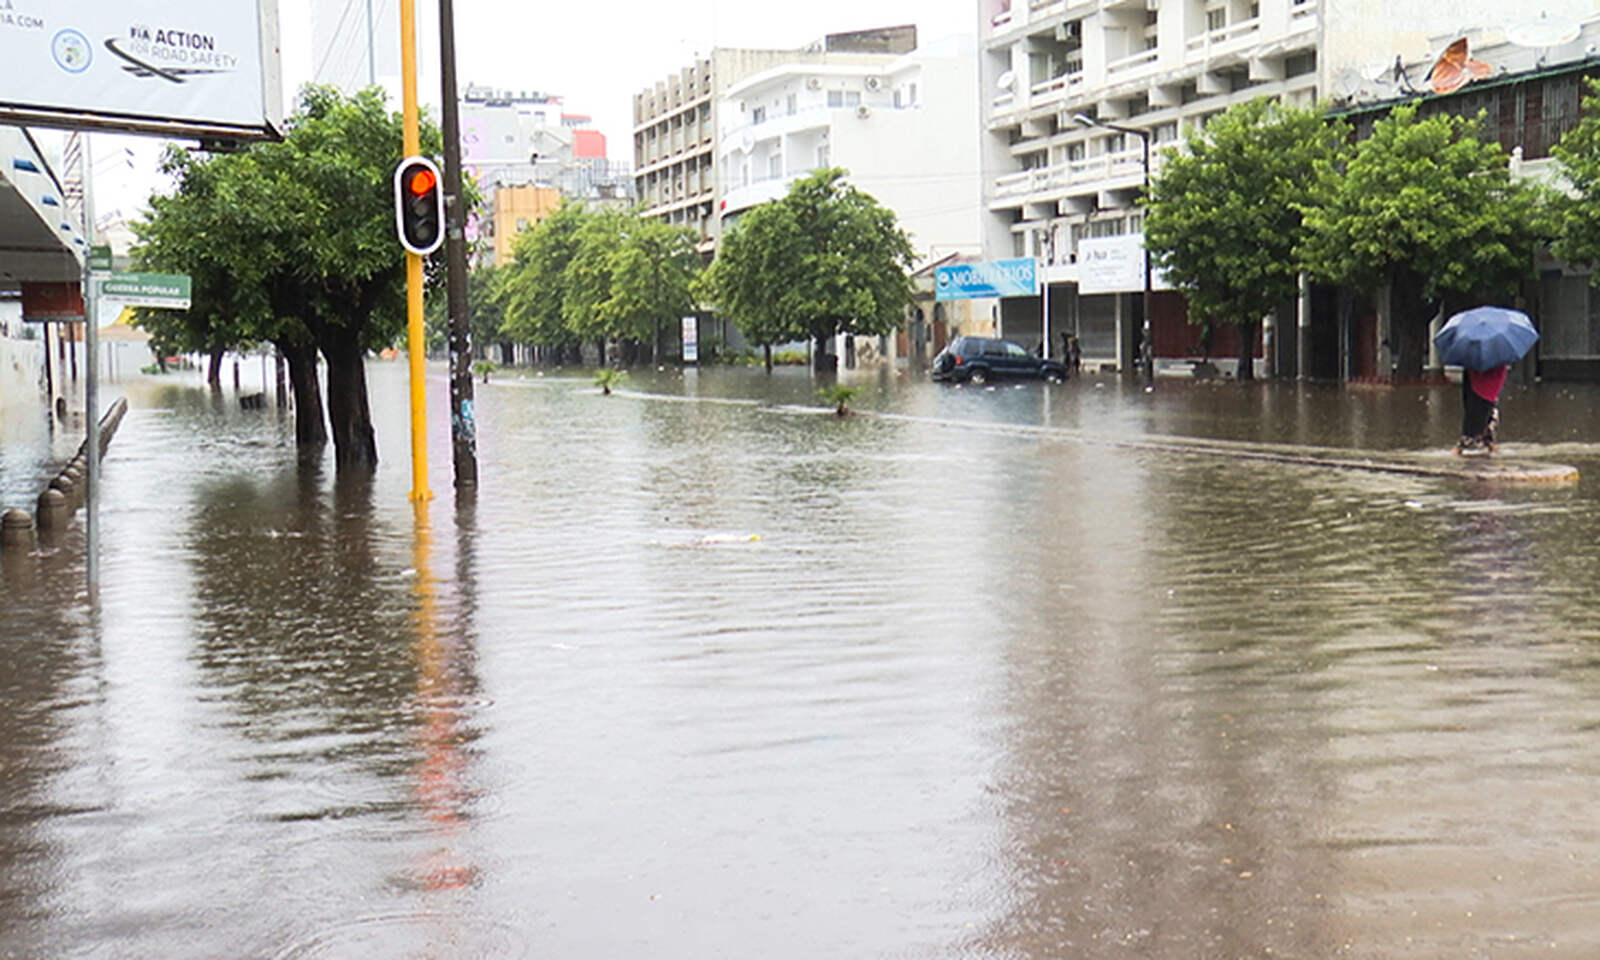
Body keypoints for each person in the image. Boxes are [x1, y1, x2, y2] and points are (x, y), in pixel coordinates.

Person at [1456, 363, 1509, 454]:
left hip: (1483, 382)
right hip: (1478, 380)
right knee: (1479, 410)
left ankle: (1464, 444)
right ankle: (1486, 442)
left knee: (1478, 412)